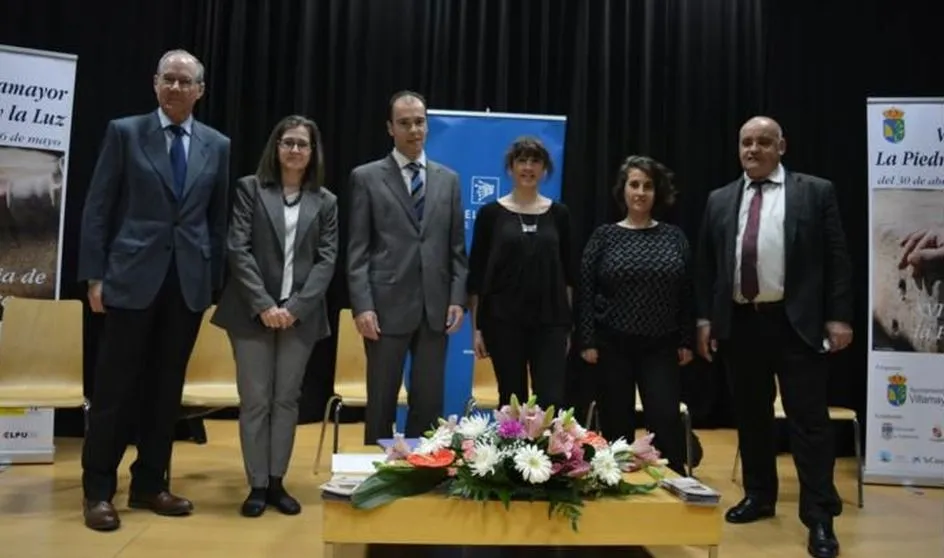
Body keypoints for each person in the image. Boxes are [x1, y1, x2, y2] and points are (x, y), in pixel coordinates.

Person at [76, 49, 230, 531]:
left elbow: (216, 221)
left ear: (200, 91)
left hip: (186, 285)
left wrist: (212, 283)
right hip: (129, 279)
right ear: (155, 83)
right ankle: (98, 490)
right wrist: (95, 276)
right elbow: (98, 207)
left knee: (166, 392)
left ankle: (149, 484)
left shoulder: (217, 145)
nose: (176, 88)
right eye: (169, 79)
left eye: (185, 81)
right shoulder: (125, 133)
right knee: (114, 390)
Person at [694, 116, 853, 558]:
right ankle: (760, 495)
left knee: (809, 422)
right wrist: (705, 320)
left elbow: (837, 258)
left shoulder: (815, 191)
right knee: (751, 416)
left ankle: (819, 517)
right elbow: (707, 266)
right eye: (746, 142)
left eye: (764, 141)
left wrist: (839, 317)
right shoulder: (720, 199)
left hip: (796, 322)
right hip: (741, 323)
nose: (753, 149)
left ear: (781, 146)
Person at [211, 115, 338, 517]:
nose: (295, 150)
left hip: (300, 316)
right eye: (288, 143)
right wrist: (265, 304)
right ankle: (257, 484)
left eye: (303, 144)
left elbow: (327, 260)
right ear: (276, 147)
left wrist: (295, 308)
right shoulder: (250, 189)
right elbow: (238, 248)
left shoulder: (326, 201)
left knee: (286, 399)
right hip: (252, 313)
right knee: (255, 400)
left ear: (313, 152)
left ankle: (277, 481)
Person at [346, 91, 468, 444]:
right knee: (382, 400)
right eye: (404, 123)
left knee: (428, 403)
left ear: (427, 125)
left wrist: (457, 298)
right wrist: (363, 306)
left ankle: (422, 469)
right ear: (390, 128)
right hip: (384, 308)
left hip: (435, 307)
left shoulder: (448, 179)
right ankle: (376, 469)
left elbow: (457, 249)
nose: (414, 130)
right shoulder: (367, 177)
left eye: (419, 122)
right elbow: (357, 250)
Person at [576, 155, 693, 476]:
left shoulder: (674, 237)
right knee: (616, 424)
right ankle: (616, 484)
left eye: (648, 186)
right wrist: (587, 340)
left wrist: (686, 339)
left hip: (661, 345)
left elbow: (686, 291)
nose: (640, 192)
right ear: (623, 190)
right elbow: (585, 290)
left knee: (665, 418)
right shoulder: (604, 237)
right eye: (634, 185)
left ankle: (673, 483)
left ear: (657, 192)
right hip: (612, 344)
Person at [467, 136, 574, 409]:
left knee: (550, 401)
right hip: (503, 323)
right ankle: (514, 441)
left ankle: (545, 441)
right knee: (512, 400)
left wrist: (568, 326)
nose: (528, 167)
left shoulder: (560, 214)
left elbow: (569, 276)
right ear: (511, 167)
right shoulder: (490, 214)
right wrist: (477, 329)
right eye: (522, 161)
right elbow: (477, 276)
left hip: (550, 323)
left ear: (545, 169)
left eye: (535, 161)